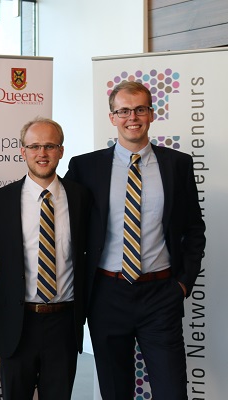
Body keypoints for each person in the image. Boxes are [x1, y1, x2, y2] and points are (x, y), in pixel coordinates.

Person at [65, 81, 206, 399]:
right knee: (116, 392)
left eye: (140, 109)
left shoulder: (177, 164)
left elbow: (194, 229)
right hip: (106, 295)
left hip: (161, 294)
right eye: (124, 110)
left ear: (151, 114)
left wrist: (183, 284)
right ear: (112, 117)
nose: (133, 117)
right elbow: (57, 211)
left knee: (172, 392)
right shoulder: (85, 167)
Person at [0, 117, 90, 399]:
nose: (42, 153)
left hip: (64, 324)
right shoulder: (0, 201)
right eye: (34, 146)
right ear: (23, 151)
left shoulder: (81, 198)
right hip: (17, 324)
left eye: (49, 146)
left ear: (61, 151)